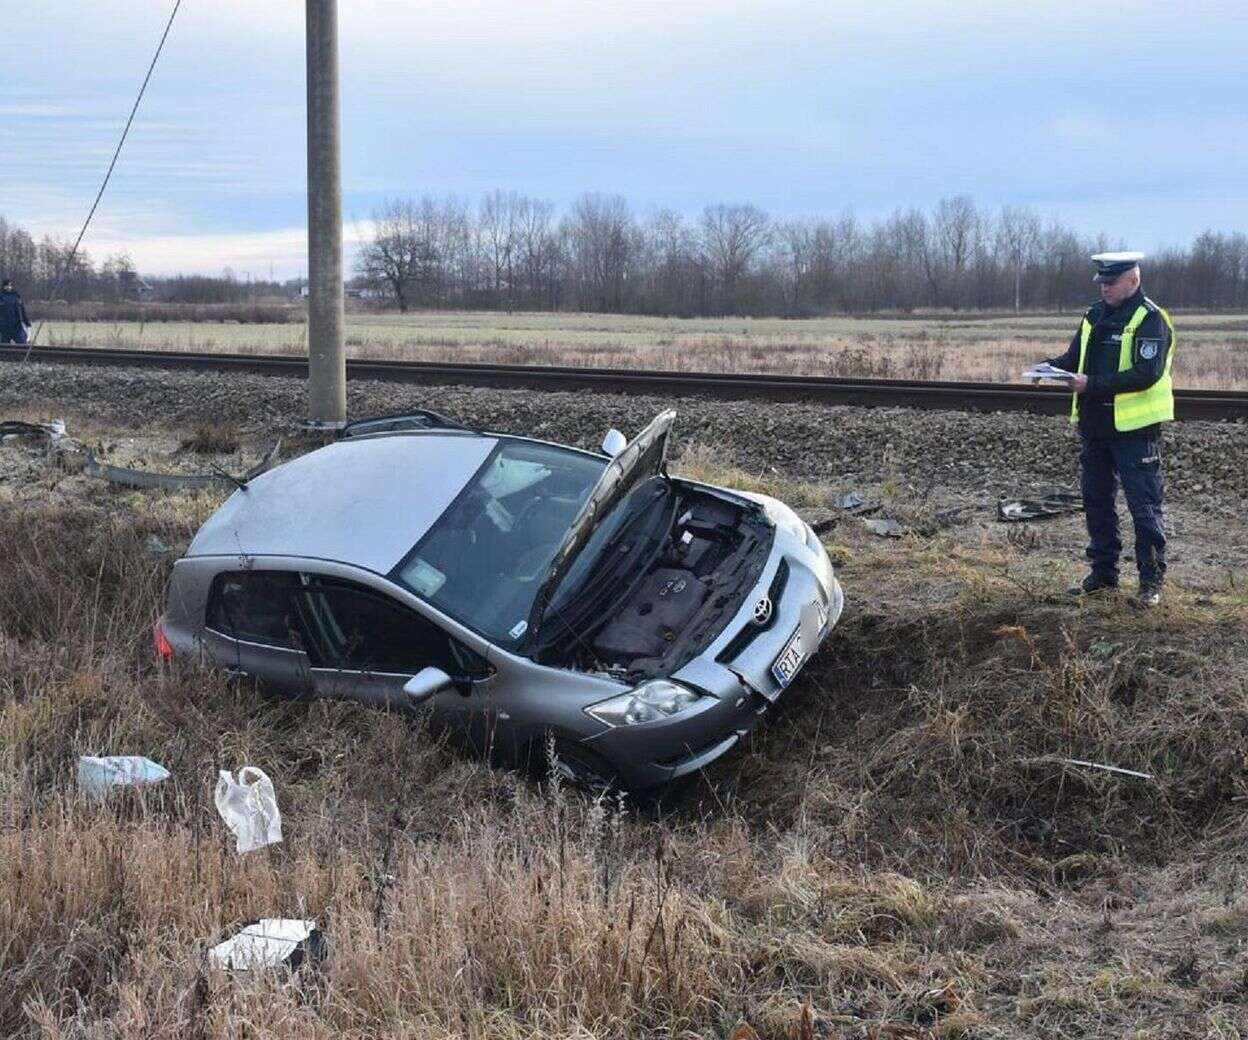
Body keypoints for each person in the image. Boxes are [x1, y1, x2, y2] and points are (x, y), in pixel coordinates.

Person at [1041, 252, 1176, 607]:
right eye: (1102, 283)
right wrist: (1049, 369)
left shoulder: (1150, 319)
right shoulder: (1093, 315)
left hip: (1135, 432)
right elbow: (1074, 359)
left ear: (1133, 279)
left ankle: (1150, 583)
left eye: (1112, 282)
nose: (1105, 289)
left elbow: (1146, 374)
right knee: (1096, 504)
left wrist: (1092, 384)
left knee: (1143, 508)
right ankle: (1103, 577)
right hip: (1095, 429)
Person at [0, 278, 32, 345]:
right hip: (4, 328)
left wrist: (27, 323)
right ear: (3, 286)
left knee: (22, 345)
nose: (9, 287)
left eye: (10, 285)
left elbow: (22, 311)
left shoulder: (16, 296)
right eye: (7, 286)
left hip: (17, 327)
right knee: (4, 349)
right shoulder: (1, 297)